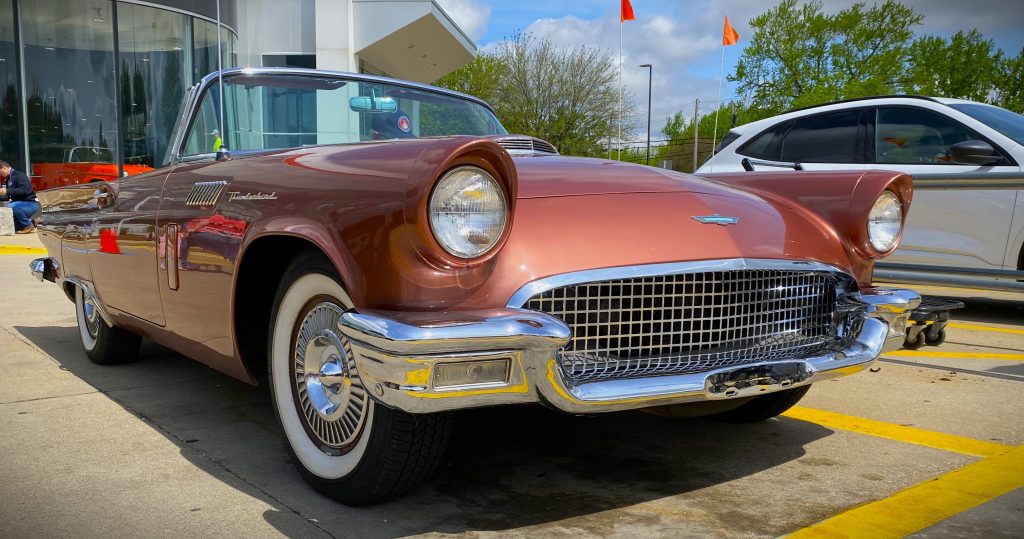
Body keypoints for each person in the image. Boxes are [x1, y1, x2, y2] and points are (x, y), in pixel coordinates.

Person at [0, 160, 40, 234]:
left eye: (0, 173)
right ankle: (31, 222)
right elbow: (8, 196)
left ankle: (28, 225)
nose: (1, 175)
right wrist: (5, 193)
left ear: (3, 168)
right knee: (13, 227)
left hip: (31, 204)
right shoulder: (9, 178)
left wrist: (7, 190)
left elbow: (25, 190)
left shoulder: (19, 175)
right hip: (21, 205)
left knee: (10, 206)